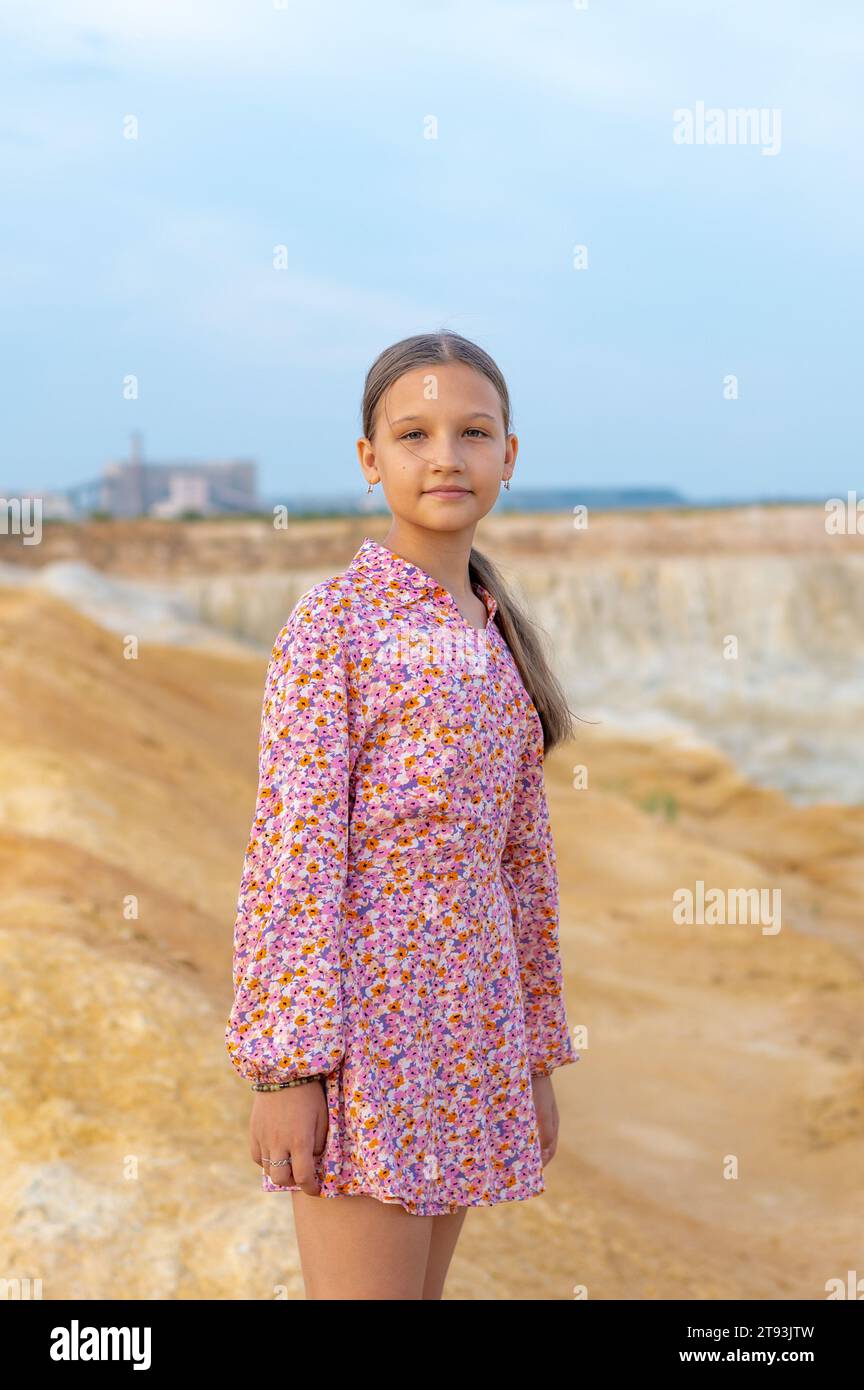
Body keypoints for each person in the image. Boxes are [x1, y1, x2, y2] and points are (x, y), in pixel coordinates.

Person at [225, 329, 581, 1299]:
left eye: (473, 433)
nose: (445, 458)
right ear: (369, 459)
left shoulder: (497, 634)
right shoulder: (334, 624)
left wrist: (539, 1052)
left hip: (472, 1029)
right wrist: (285, 1071)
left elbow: (523, 864)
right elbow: (293, 854)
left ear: (509, 455)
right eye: (414, 434)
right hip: (364, 1044)